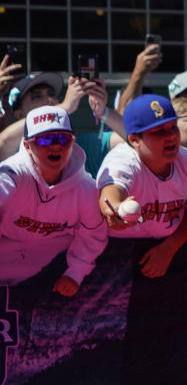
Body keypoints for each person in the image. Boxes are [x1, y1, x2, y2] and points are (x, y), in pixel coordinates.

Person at [97, 94, 187, 385]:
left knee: (170, 341)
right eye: (157, 132)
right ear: (134, 139)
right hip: (118, 255)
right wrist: (114, 209)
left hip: (168, 249)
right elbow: (110, 193)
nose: (171, 137)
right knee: (119, 345)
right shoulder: (122, 159)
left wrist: (169, 248)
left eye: (172, 127)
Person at [0, 105, 107, 292]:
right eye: (45, 139)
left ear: (73, 142)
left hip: (54, 267)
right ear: (27, 145)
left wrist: (76, 272)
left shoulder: (86, 189)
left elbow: (93, 235)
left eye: (63, 138)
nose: (56, 145)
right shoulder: (13, 173)